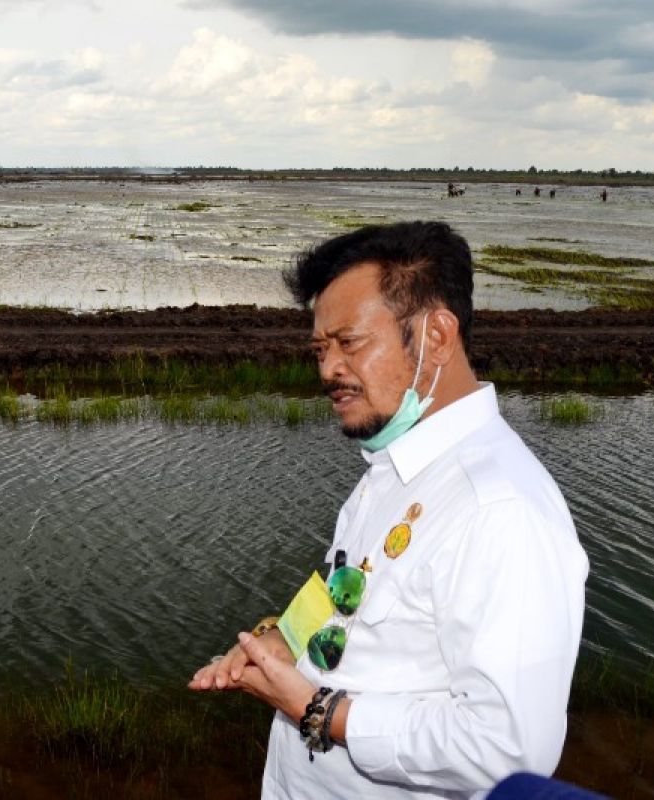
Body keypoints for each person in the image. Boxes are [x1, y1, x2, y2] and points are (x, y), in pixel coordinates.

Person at [190, 221, 588, 798]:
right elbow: (346, 584)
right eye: (321, 348)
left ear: (437, 337)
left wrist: (319, 710)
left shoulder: (500, 511)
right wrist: (283, 640)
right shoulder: (391, 468)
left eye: (350, 343)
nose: (328, 369)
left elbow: (508, 749)